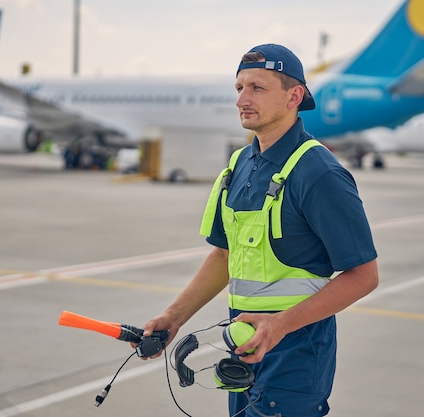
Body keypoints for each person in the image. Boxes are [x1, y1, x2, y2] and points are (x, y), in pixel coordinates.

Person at [140, 43, 378, 417]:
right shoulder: (238, 165)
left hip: (296, 356)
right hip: (245, 351)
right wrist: (173, 317)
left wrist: (280, 325)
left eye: (257, 88)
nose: (241, 100)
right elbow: (224, 254)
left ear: (293, 96)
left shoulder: (320, 173)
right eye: (239, 88)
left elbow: (364, 275)